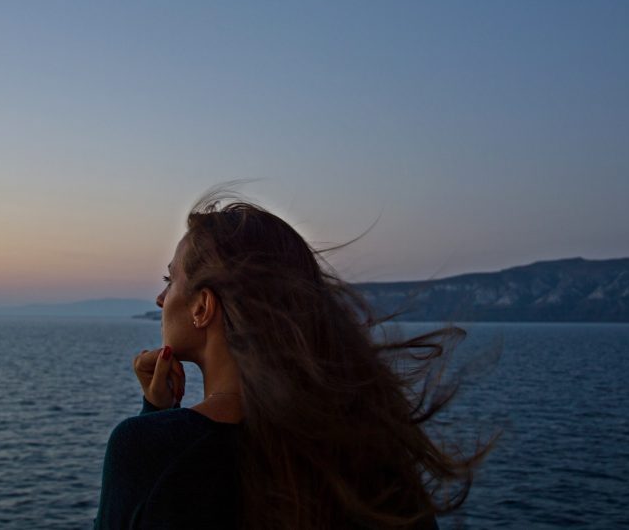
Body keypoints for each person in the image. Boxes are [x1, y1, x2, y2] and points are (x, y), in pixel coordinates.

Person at [94, 189, 487, 530]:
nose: (161, 300)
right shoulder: (369, 452)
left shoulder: (148, 450)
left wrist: (154, 417)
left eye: (170, 281)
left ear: (203, 306)